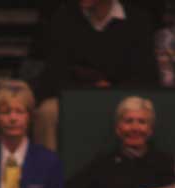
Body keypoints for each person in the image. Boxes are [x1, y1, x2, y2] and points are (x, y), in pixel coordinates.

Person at [34, 0, 158, 151]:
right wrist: (87, 88)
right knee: (47, 112)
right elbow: (54, 73)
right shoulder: (64, 17)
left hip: (124, 96)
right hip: (75, 94)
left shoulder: (137, 20)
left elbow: (147, 75)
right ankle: (47, 172)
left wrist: (111, 90)